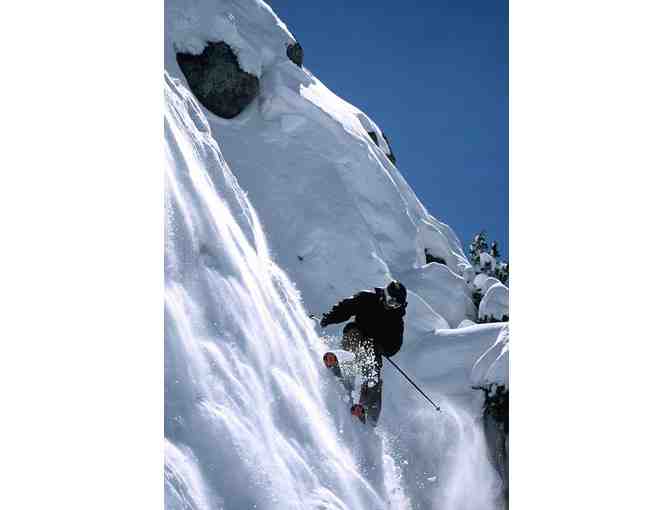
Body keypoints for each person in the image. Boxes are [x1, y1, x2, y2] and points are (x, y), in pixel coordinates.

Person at [320, 280, 407, 425]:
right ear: (385, 294)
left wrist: (382, 348)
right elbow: (346, 307)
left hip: (374, 347)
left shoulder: (396, 320)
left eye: (396, 304)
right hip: (356, 334)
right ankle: (344, 369)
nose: (391, 306)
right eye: (390, 301)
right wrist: (329, 318)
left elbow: (395, 346)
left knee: (372, 370)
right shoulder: (367, 298)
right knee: (353, 337)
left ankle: (368, 410)